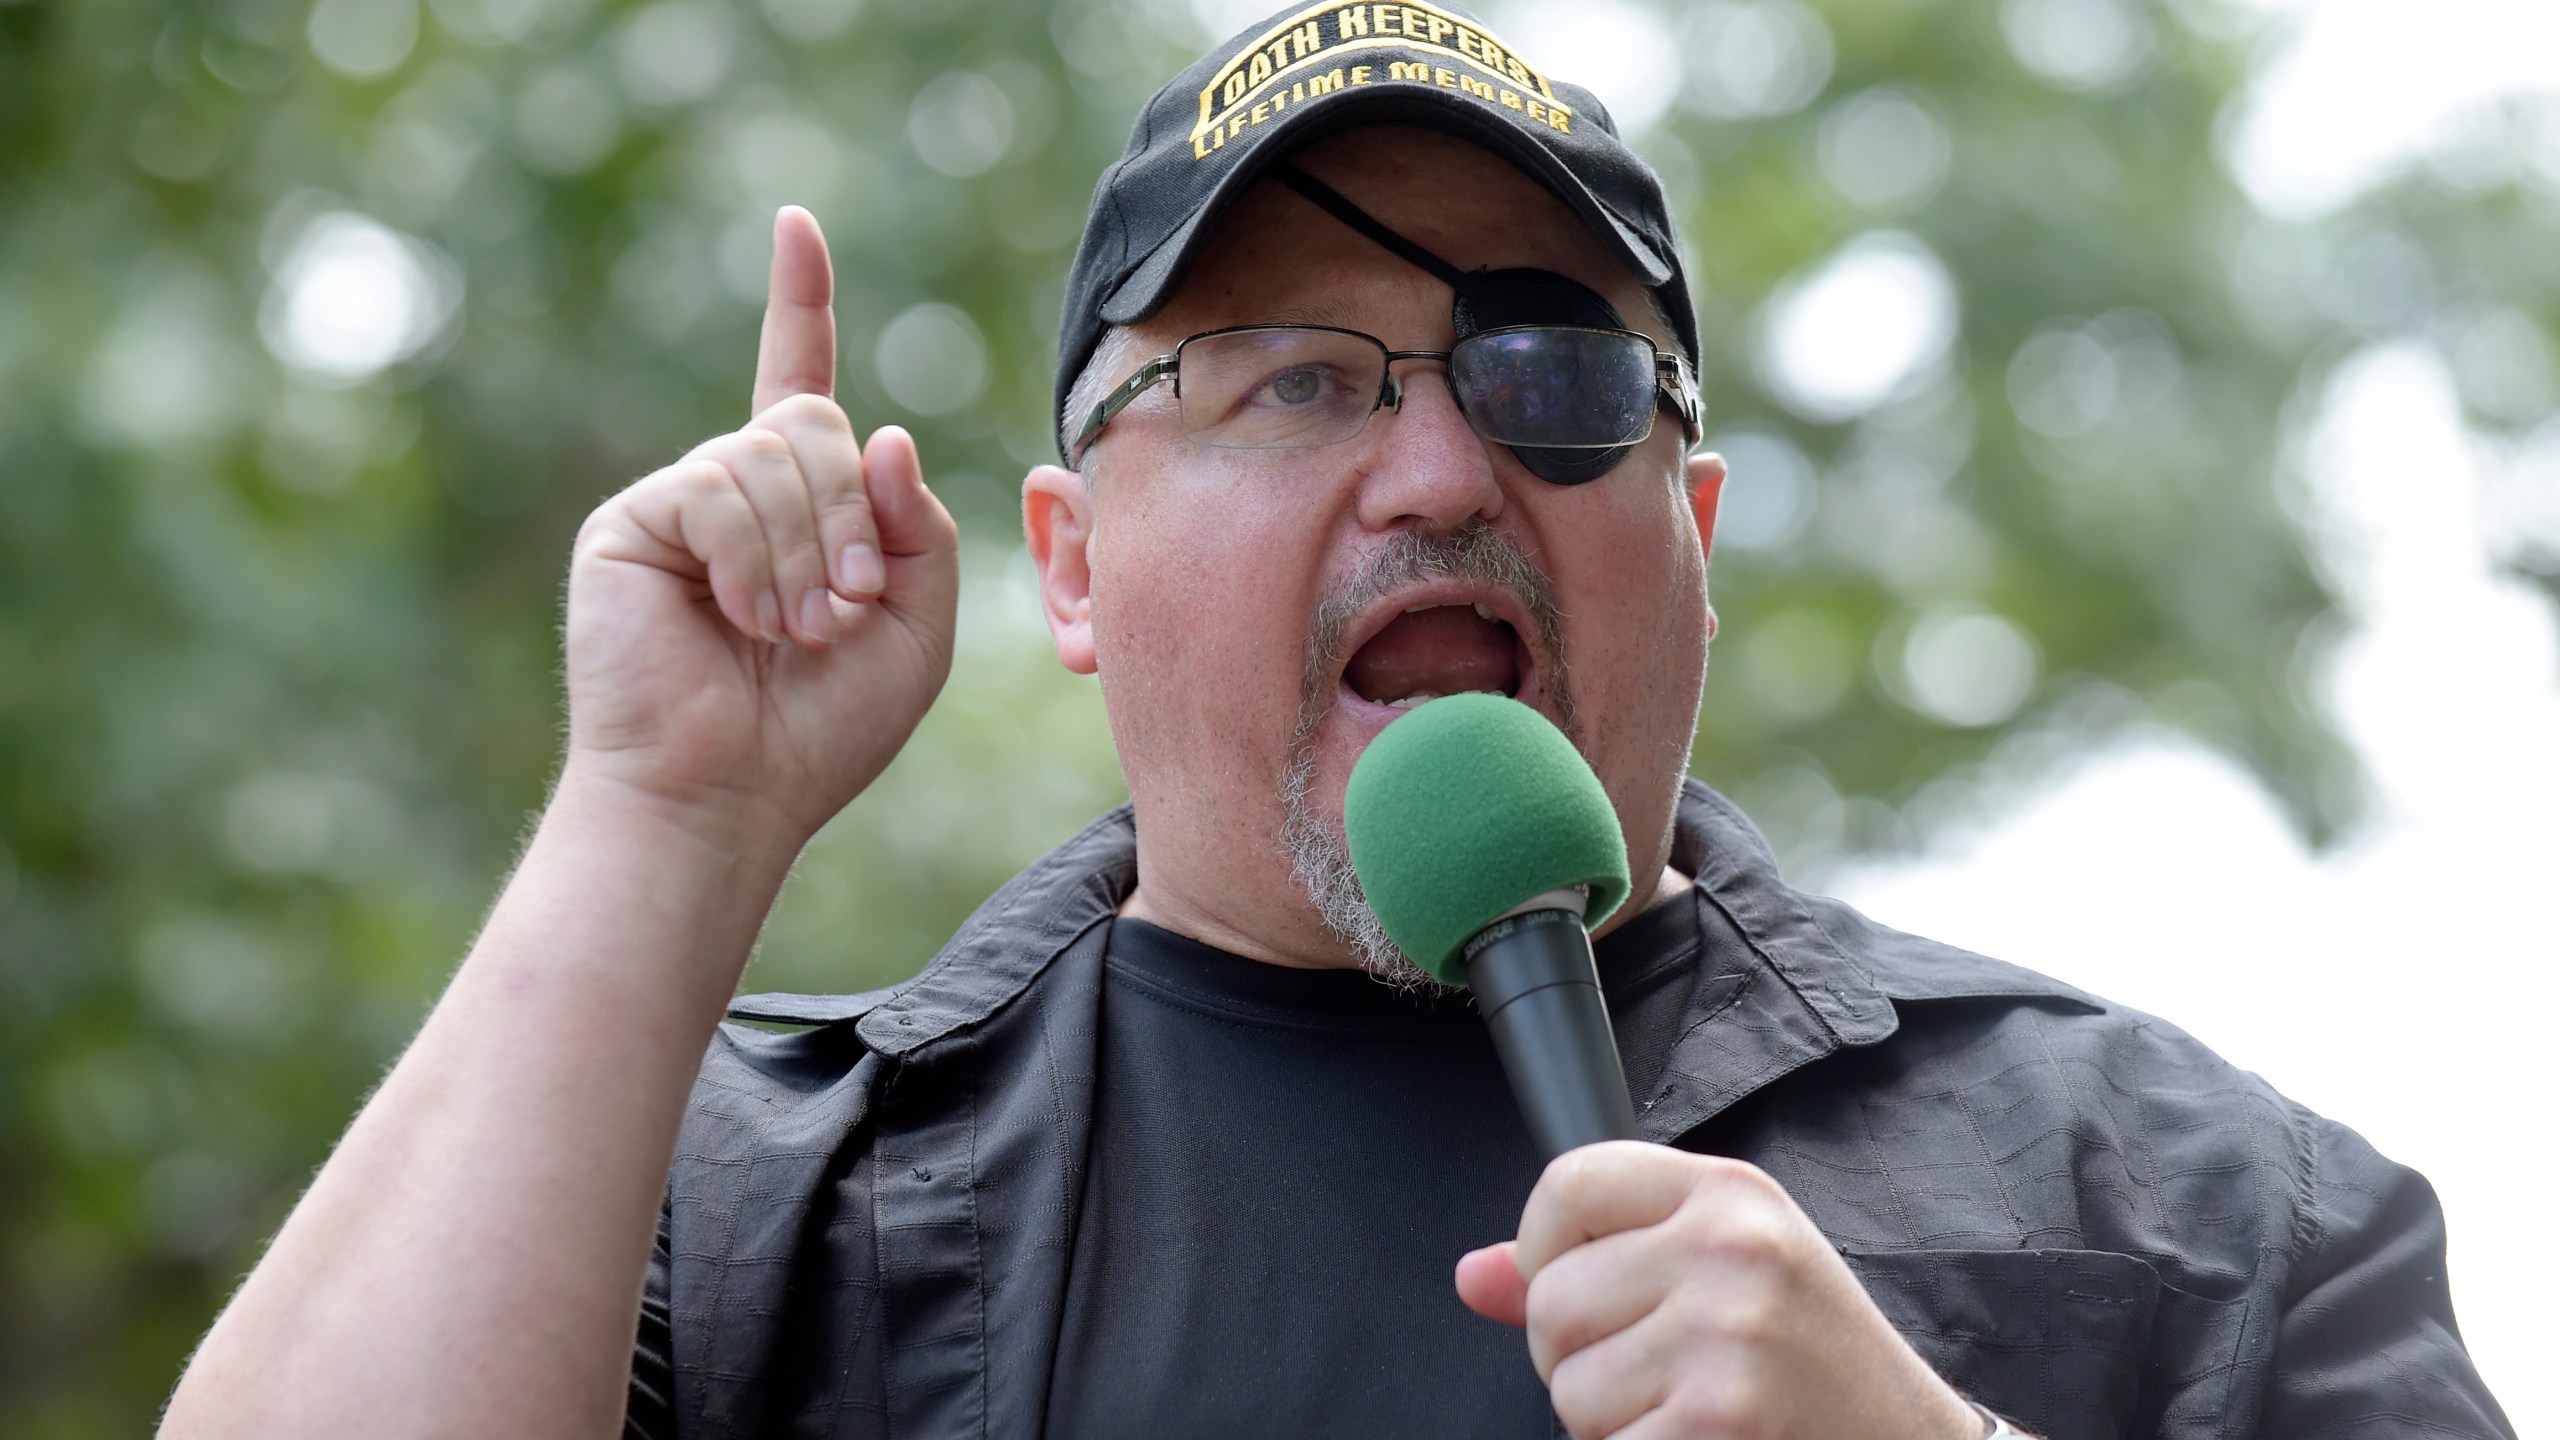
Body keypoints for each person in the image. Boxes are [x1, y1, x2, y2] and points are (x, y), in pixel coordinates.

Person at [163, 5, 2513, 1438]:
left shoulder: (2195, 1210)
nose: (1436, 467)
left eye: (1548, 372)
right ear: (1070, 566)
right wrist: (659, 815)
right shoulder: (740, 1207)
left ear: (1687, 526)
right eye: (1294, 377)